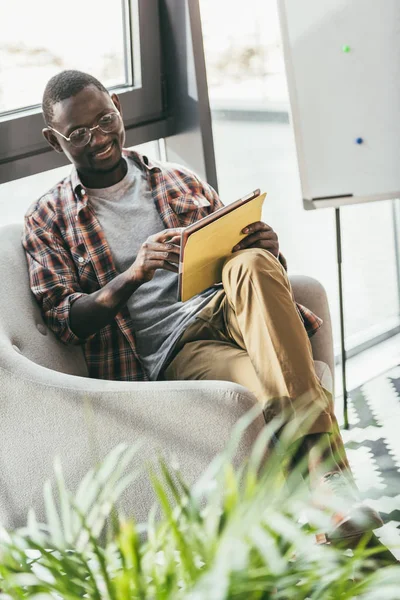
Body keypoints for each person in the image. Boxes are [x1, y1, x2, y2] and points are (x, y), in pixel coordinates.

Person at [22, 70, 382, 543]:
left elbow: (246, 267)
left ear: (116, 105)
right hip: (178, 349)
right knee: (276, 386)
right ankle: (339, 505)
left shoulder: (176, 179)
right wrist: (133, 274)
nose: (99, 138)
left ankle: (328, 518)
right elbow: (68, 321)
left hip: (232, 308)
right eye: (79, 134)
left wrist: (266, 249)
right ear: (54, 140)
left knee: (251, 262)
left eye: (105, 119)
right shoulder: (47, 218)